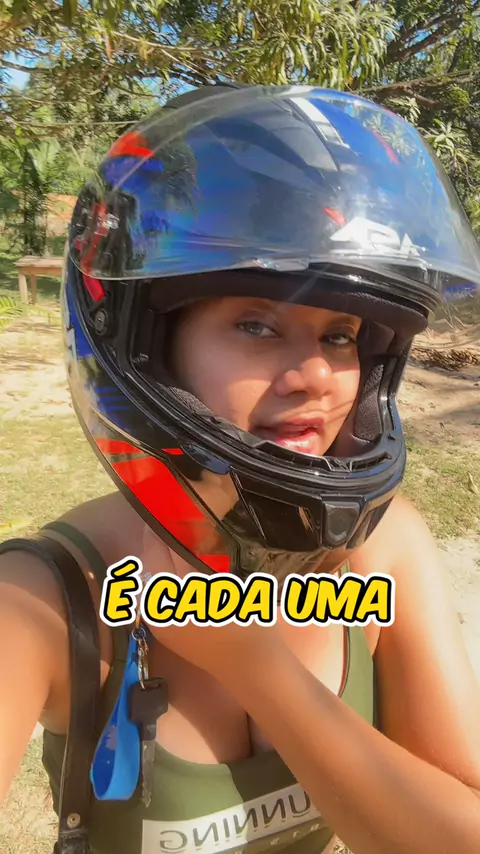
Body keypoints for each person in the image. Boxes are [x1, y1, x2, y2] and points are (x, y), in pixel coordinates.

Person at [1, 83, 480, 854]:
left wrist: (257, 670)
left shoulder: (385, 550)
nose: (316, 376)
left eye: (340, 335)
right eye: (257, 325)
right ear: (148, 349)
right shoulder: (46, 598)